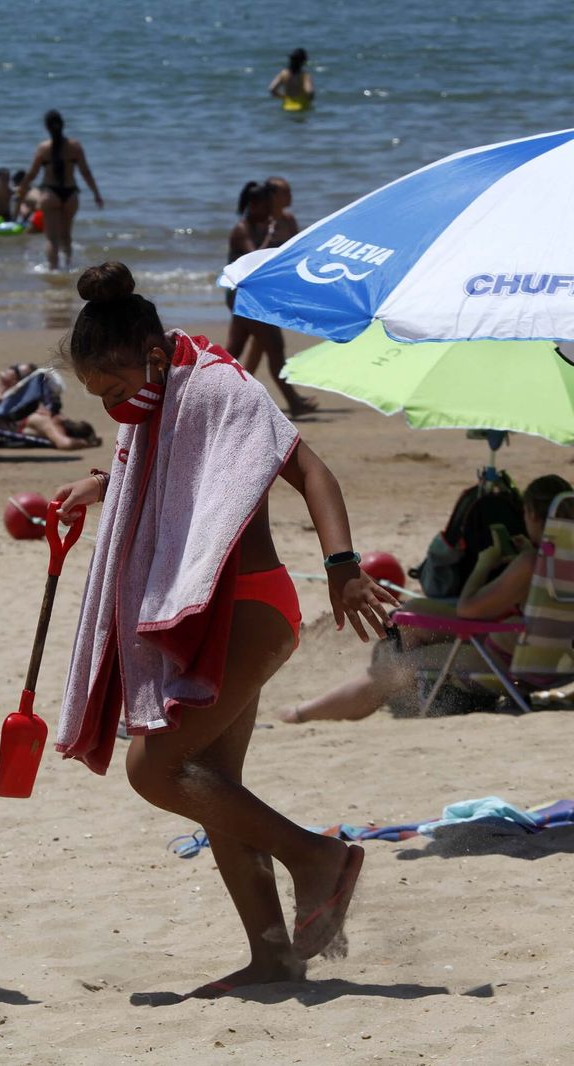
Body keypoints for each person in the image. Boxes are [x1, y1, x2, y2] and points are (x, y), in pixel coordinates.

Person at [50, 262, 397, 997]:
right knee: (214, 786)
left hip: (249, 607)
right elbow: (184, 475)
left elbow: (311, 471)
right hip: (218, 611)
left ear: (149, 352)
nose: (114, 407)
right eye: (98, 399)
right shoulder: (163, 396)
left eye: (115, 390)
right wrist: (101, 484)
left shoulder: (216, 384)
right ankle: (273, 958)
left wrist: (342, 564)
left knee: (157, 768)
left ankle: (321, 861)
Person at [283, 474, 574, 723]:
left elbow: (468, 610)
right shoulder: (559, 563)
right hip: (553, 664)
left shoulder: (529, 563)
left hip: (503, 662)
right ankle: (414, 695)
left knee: (396, 668)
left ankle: (302, 714)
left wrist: (487, 563)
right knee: (413, 620)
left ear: (534, 516)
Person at [226, 182, 316, 417]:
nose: (270, 210)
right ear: (254, 205)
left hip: (258, 296)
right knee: (275, 347)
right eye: (266, 205)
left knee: (233, 349)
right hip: (244, 296)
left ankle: (213, 394)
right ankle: (293, 402)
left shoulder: (267, 224)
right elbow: (254, 259)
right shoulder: (242, 229)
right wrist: (270, 235)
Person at [16, 110, 103, 271]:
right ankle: (68, 268)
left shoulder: (43, 148)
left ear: (46, 127)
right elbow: (86, 172)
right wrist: (96, 194)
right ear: (63, 125)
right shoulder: (75, 146)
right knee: (66, 236)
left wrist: (21, 190)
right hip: (71, 194)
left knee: (52, 238)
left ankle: (53, 270)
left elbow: (32, 174)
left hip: (50, 194)